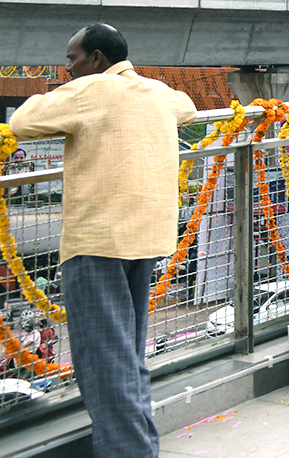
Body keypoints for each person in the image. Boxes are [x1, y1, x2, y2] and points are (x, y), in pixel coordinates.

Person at [9, 23, 197, 458]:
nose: (68, 68)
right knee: (127, 356)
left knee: (103, 362)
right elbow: (187, 107)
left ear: (96, 59)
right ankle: (140, 446)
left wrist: (60, 91)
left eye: (72, 59)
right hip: (147, 237)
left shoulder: (88, 90)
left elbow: (21, 120)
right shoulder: (158, 93)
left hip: (96, 241)